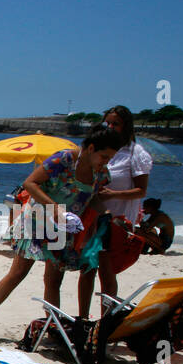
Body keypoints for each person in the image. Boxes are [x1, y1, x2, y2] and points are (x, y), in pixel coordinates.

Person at [0, 126, 124, 341]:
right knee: (18, 273)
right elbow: (30, 183)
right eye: (104, 156)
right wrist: (56, 209)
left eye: (110, 158)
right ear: (90, 148)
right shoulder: (63, 159)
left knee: (53, 280)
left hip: (63, 227)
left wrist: (109, 215)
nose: (105, 162)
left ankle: (53, 327)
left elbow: (93, 198)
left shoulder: (101, 173)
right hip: (37, 220)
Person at [77, 106, 151, 317]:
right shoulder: (98, 148)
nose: (110, 127)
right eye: (107, 123)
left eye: (116, 124)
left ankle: (105, 322)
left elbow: (141, 190)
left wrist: (113, 194)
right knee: (87, 271)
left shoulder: (135, 153)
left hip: (116, 221)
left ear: (126, 127)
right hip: (92, 217)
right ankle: (84, 319)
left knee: (107, 274)